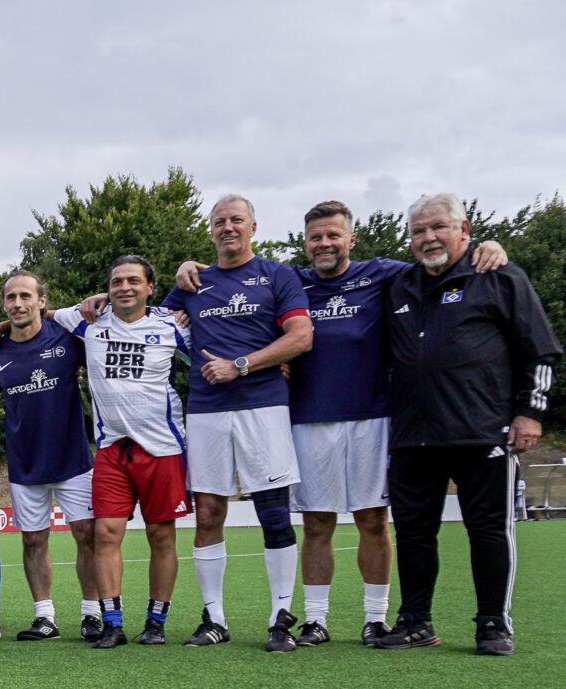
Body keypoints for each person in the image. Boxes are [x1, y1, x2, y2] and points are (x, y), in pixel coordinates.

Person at [177, 203, 509, 646]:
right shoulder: (294, 279)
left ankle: (375, 618)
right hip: (308, 417)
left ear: (351, 239)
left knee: (373, 520)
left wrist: (482, 248)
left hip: (373, 416)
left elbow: (437, 259)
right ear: (305, 242)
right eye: (316, 237)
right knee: (317, 522)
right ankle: (316, 619)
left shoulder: (383, 273)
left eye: (334, 235)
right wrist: (186, 267)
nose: (325, 244)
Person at [377, 192, 561, 655]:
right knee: (414, 532)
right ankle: (415, 621)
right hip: (412, 435)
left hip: (483, 431)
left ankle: (493, 624)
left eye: (438, 227)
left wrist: (530, 413)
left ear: (464, 229)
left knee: (489, 529)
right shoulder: (398, 285)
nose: (428, 238)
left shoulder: (499, 276)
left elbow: (539, 352)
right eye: (418, 231)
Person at [160, 194, 314, 651]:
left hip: (262, 406)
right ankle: (215, 619)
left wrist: (242, 365)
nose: (228, 228)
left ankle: (280, 616)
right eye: (220, 222)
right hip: (206, 410)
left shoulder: (277, 275)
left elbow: (301, 337)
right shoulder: (193, 281)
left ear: (253, 228)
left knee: (272, 511)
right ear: (210, 232)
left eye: (236, 221)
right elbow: (152, 323)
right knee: (208, 512)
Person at [50, 256, 191, 648]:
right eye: (116, 282)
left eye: (133, 281)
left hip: (162, 448)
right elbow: (38, 311)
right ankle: (112, 622)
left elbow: (218, 347)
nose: (124, 287)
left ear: (150, 287)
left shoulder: (173, 325)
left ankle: (156, 622)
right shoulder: (89, 322)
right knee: (106, 533)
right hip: (112, 448)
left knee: (161, 536)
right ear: (107, 289)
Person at [0, 271, 100, 641]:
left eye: (25, 296)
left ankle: (92, 614)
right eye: (10, 298)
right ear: (3, 304)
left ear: (42, 301)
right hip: (24, 462)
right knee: (33, 539)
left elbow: (102, 320)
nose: (17, 304)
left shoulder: (67, 338)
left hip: (73, 456)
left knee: (87, 534)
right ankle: (44, 617)